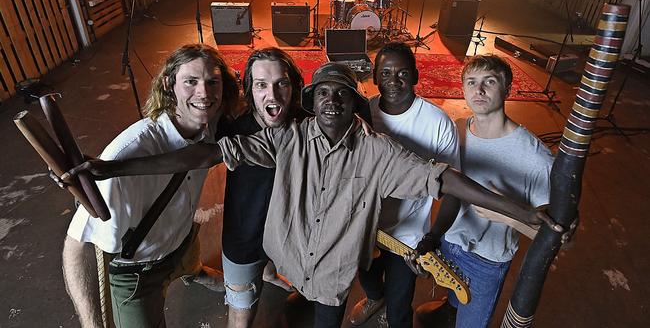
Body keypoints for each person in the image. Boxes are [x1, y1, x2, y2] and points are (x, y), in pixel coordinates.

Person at [67, 62, 561, 328]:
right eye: (322, 93)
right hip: (285, 262)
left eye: (342, 94)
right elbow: (204, 155)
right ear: (311, 104)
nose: (331, 100)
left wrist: (520, 210)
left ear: (353, 107)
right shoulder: (286, 139)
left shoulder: (376, 154)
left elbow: (445, 180)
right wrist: (113, 165)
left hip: (330, 280)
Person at [61, 44, 239, 327]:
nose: (204, 93)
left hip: (180, 241)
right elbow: (76, 247)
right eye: (191, 82)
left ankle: (194, 272)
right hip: (138, 273)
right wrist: (92, 324)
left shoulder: (210, 124)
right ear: (169, 85)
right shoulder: (126, 155)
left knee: (187, 239)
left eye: (212, 82)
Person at [412, 54, 554, 328]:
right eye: (472, 82)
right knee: (454, 294)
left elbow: (557, 239)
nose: (479, 90)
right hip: (450, 241)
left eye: (489, 82)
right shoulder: (458, 131)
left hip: (486, 259)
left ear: (508, 90)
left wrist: (506, 216)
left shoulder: (535, 158)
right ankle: (450, 308)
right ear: (463, 89)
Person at [349, 42, 461, 328]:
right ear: (374, 77)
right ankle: (375, 298)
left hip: (408, 238)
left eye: (402, 73)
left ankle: (391, 310)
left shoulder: (438, 123)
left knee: (400, 309)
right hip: (365, 226)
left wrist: (434, 235)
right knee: (368, 278)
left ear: (415, 76)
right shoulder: (362, 114)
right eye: (385, 74)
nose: (393, 81)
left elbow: (454, 188)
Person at [219, 47, 306, 328]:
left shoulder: (306, 124)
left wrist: (356, 123)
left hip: (286, 237)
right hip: (244, 242)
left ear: (293, 86)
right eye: (261, 85)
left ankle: (269, 272)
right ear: (249, 90)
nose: (273, 94)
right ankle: (263, 272)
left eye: (282, 83)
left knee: (273, 264)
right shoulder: (232, 130)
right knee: (241, 319)